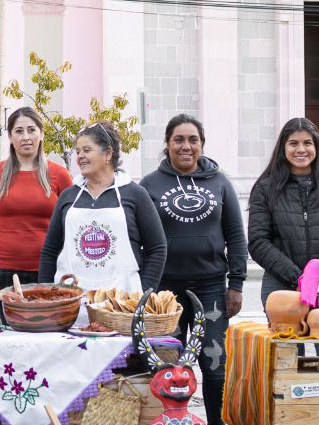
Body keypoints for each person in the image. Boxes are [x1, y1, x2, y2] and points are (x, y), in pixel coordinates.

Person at [139, 114, 245, 425]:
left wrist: (236, 284)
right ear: (168, 145)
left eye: (193, 140)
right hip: (165, 295)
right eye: (179, 140)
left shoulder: (220, 183)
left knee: (214, 367)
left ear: (201, 145)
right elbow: (140, 238)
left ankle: (215, 421)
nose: (186, 146)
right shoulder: (149, 185)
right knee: (167, 369)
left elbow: (236, 235)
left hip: (211, 289)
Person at [248, 118, 319, 356]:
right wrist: (299, 278)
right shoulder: (265, 189)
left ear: (317, 147)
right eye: (293, 143)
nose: (301, 149)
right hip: (281, 287)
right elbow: (258, 241)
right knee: (288, 362)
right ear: (283, 148)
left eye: (307, 143)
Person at [39, 122, 167, 295]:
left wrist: (143, 293)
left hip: (122, 305)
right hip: (70, 303)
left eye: (87, 150)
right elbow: (50, 251)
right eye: (78, 151)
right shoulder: (68, 196)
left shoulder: (135, 194)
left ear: (107, 153)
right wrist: (47, 295)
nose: (80, 156)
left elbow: (157, 248)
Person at [0, 107, 72, 307]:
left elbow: (71, 227)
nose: (26, 137)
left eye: (31, 130)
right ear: (10, 136)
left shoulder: (60, 175)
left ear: (41, 134)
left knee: (43, 333)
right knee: (8, 334)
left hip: (47, 271)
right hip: (2, 272)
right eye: (19, 131)